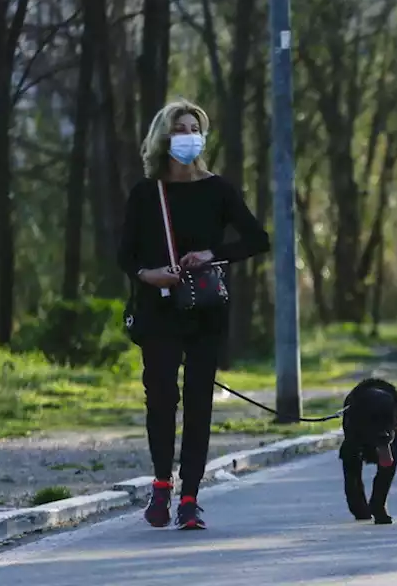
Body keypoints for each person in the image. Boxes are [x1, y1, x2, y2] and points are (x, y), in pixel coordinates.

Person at [117, 99, 270, 530]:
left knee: (200, 401)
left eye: (194, 128)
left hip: (204, 309)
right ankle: (161, 486)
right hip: (158, 309)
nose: (189, 135)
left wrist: (212, 254)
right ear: (164, 138)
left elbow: (258, 239)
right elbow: (125, 255)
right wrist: (149, 275)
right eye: (180, 128)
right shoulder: (146, 193)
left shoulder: (218, 189)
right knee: (162, 397)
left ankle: (190, 498)